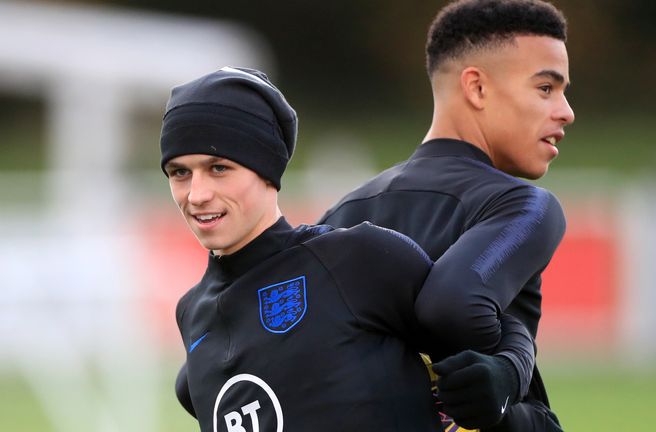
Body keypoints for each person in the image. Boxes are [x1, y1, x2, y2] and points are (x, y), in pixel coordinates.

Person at [319, 0, 575, 431]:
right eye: (546, 88)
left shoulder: (339, 214)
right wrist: (514, 364)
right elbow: (451, 304)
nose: (566, 111)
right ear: (476, 88)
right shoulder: (522, 205)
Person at [160, 67, 446, 431]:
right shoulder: (192, 314)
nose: (196, 195)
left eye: (219, 168)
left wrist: (502, 383)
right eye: (179, 172)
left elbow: (494, 335)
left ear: (266, 171)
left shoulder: (357, 259)